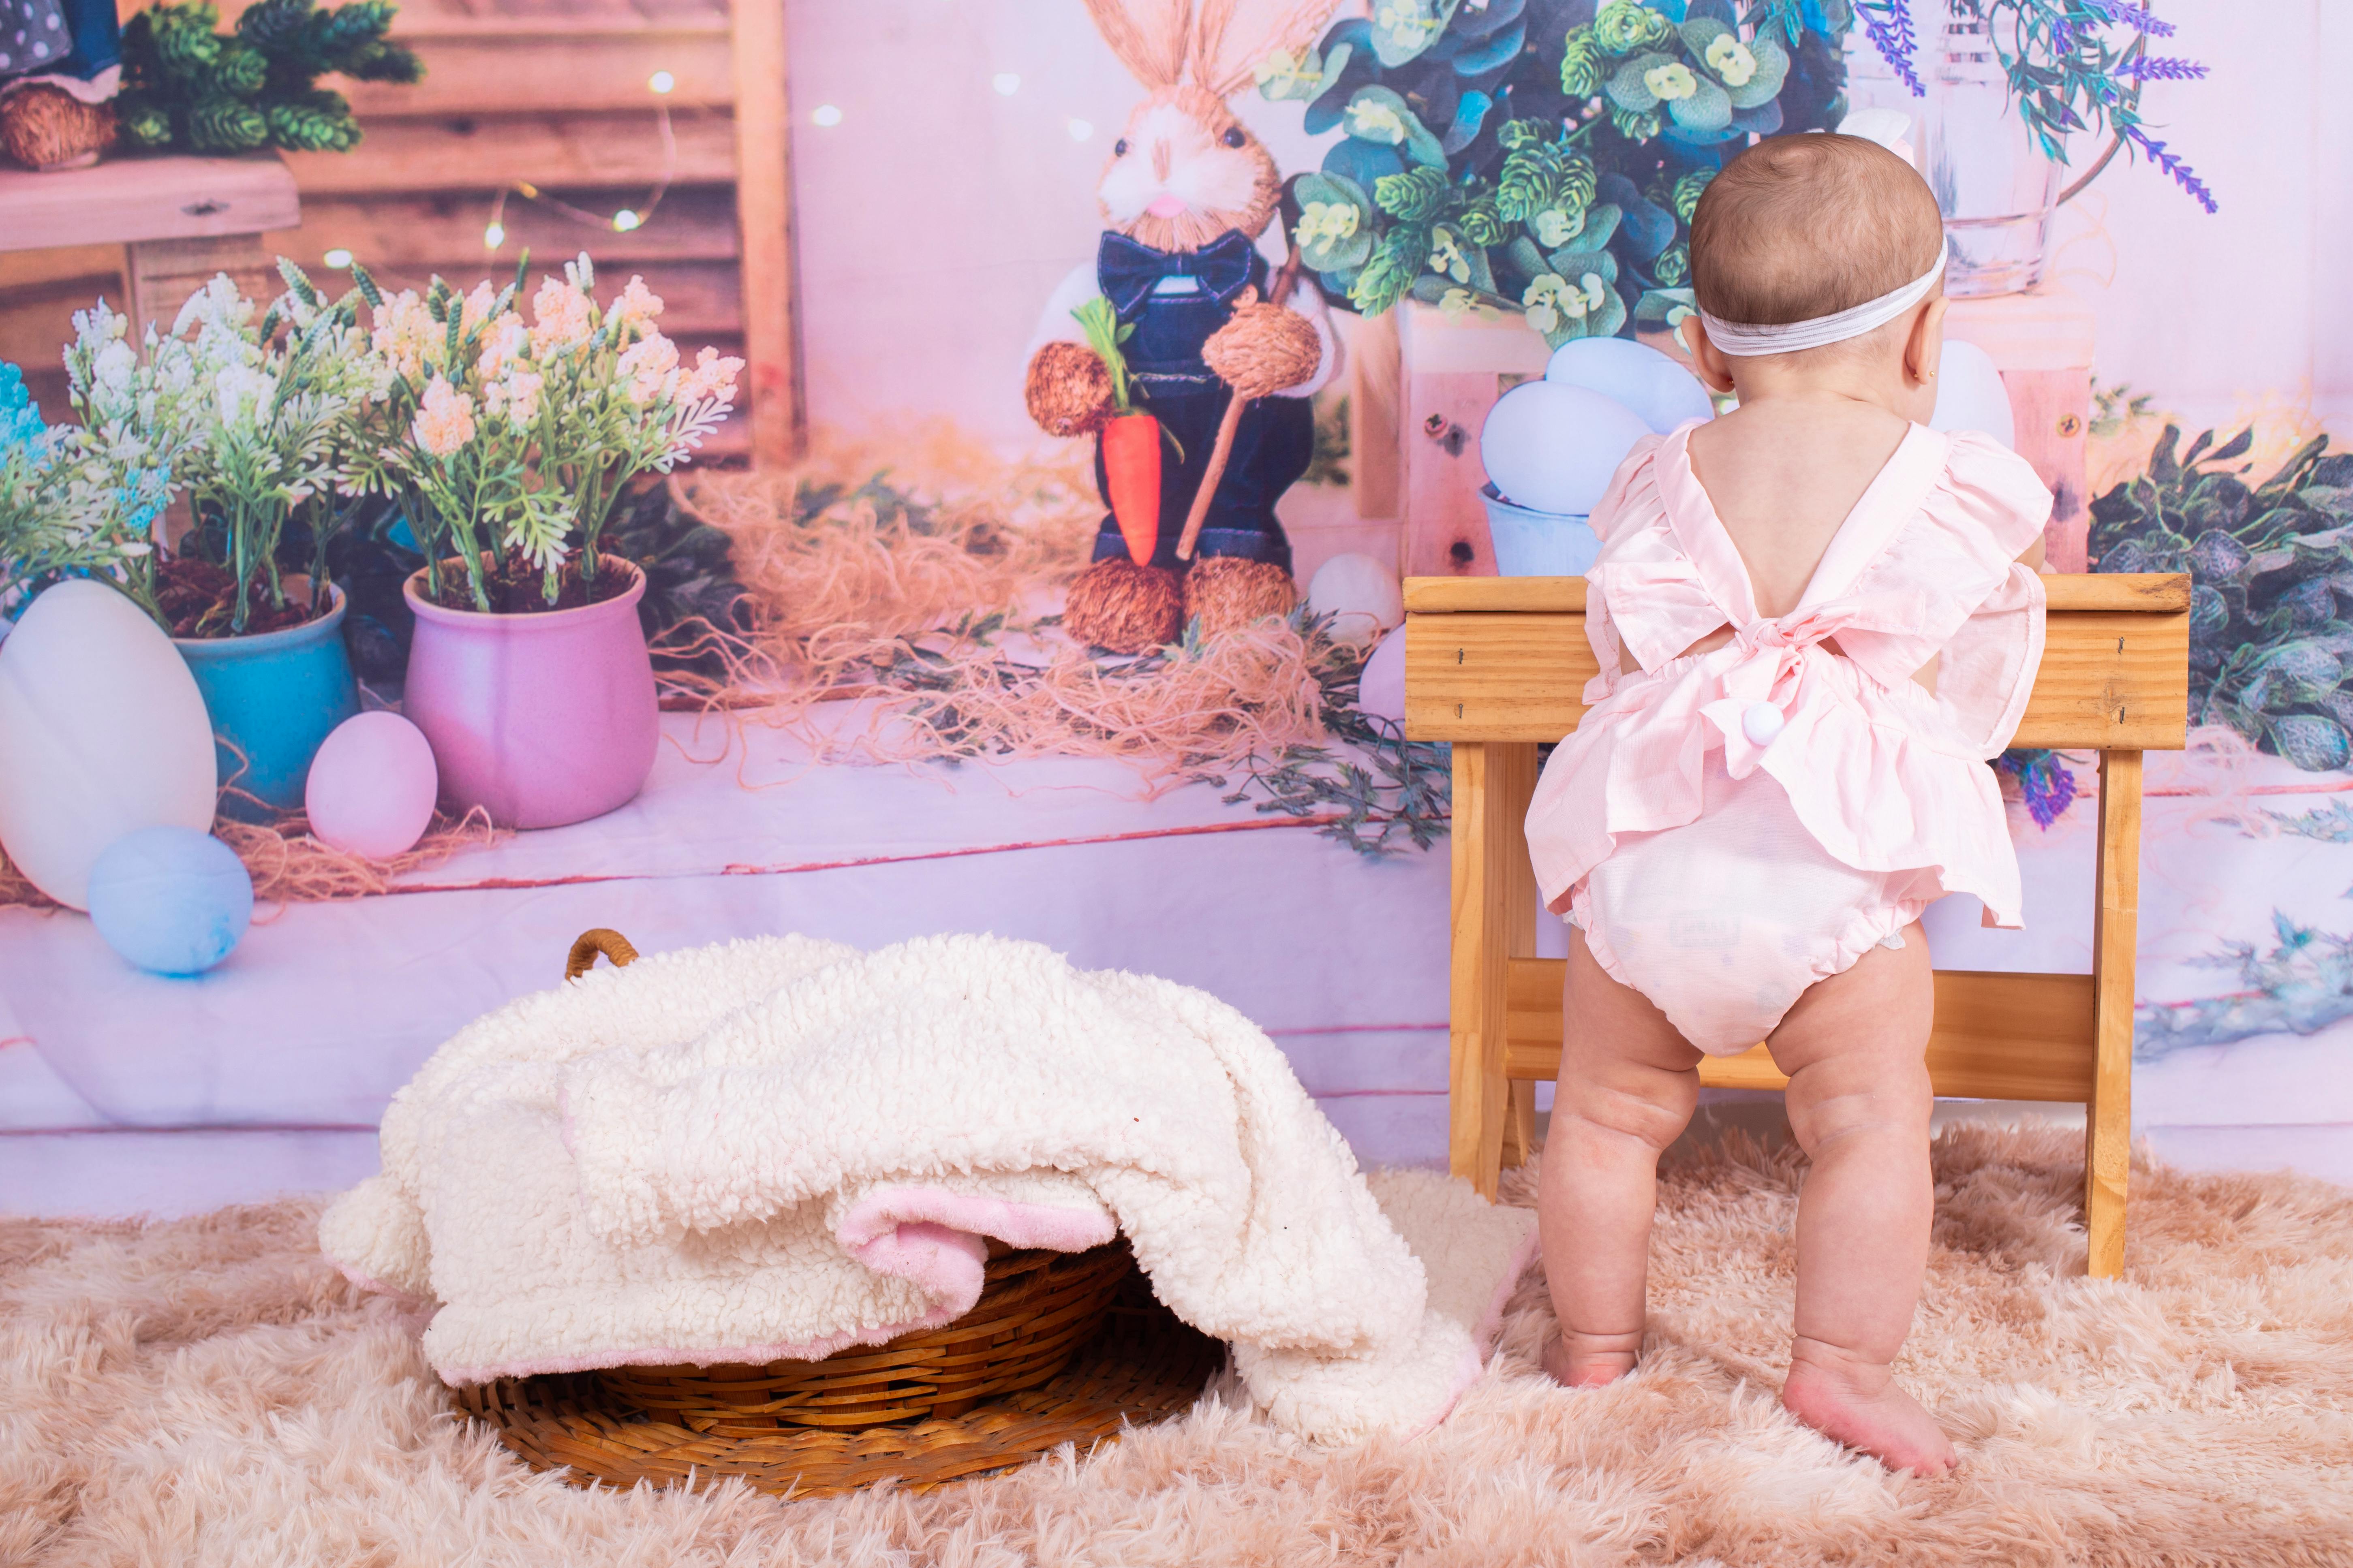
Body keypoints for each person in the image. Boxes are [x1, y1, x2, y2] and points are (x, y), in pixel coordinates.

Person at [1525, 132, 2051, 1478]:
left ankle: (1591, 1350)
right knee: (1871, 1123)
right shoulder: (1951, 490)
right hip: (1828, 874)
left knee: (1601, 1117)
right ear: (1927, 339)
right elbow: (1975, 682)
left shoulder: (1655, 476)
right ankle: (1842, 1372)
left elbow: (1623, 655)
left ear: (1704, 358)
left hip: (1649, 856)